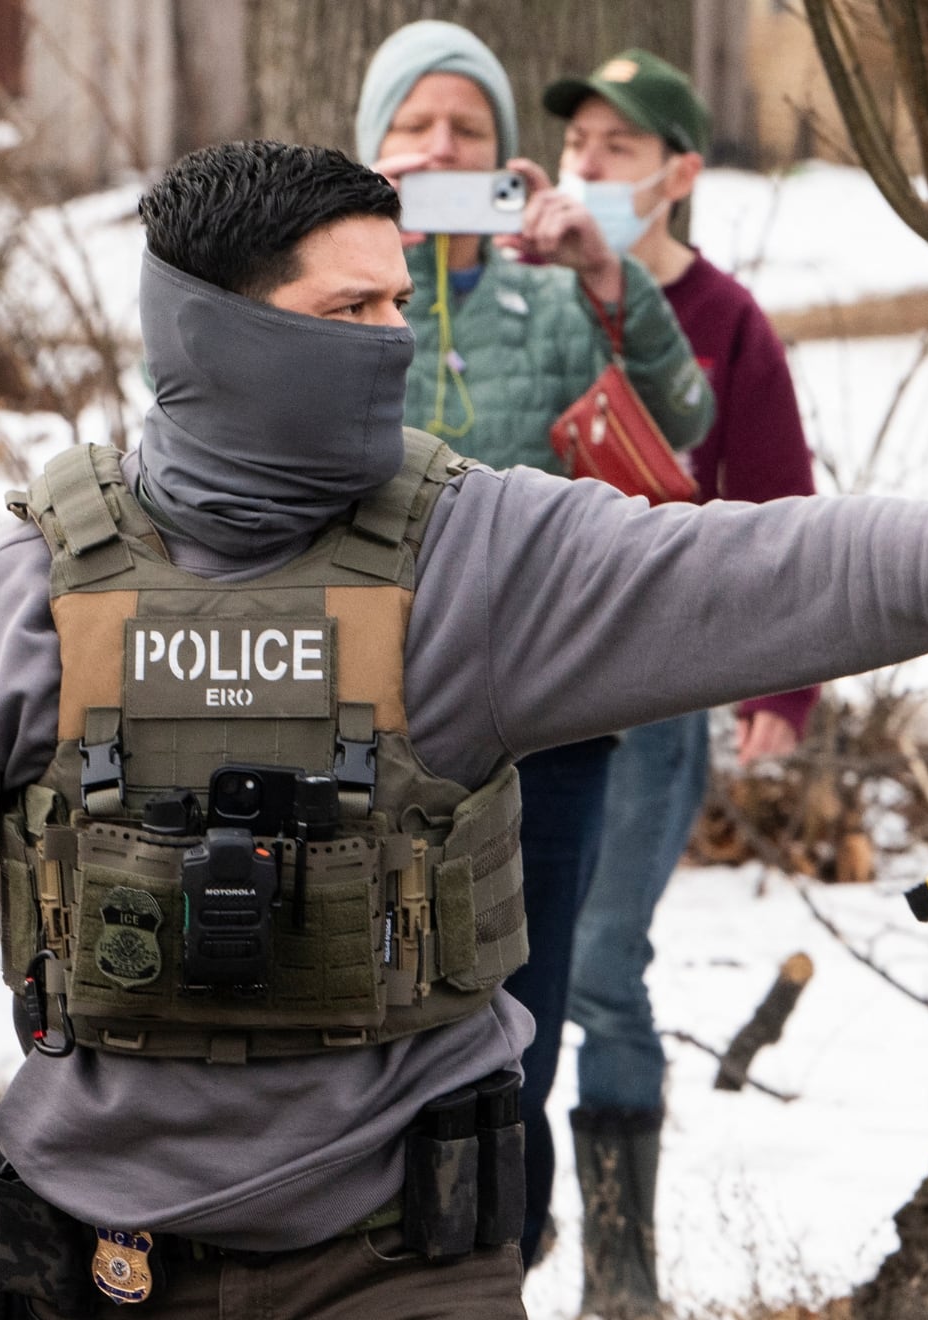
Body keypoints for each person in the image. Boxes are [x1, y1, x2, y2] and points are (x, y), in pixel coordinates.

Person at [0, 139, 928, 1319]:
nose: (397, 345)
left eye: (403, 302)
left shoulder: (475, 555)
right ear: (215, 336)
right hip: (93, 1256)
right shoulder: (11, 607)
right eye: (352, 313)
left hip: (405, 1255)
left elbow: (772, 567)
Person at [354, 23, 717, 1262]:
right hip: (368, 724)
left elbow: (684, 419)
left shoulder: (552, 293)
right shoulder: (331, 295)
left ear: (508, 161)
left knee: (528, 1013)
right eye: (416, 129)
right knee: (371, 1010)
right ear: (372, 149)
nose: (442, 150)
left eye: (468, 133)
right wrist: (348, 274)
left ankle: (505, 1247)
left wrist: (607, 275)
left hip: (547, 724)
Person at [537, 48, 820, 1313]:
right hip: (514, 688)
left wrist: (784, 687)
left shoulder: (724, 322)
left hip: (651, 702)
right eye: (578, 143)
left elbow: (779, 509)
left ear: (679, 176)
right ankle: (496, 1220)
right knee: (493, 973)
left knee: (601, 964)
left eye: (619, 150)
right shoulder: (520, 294)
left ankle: (620, 1273)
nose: (589, 167)